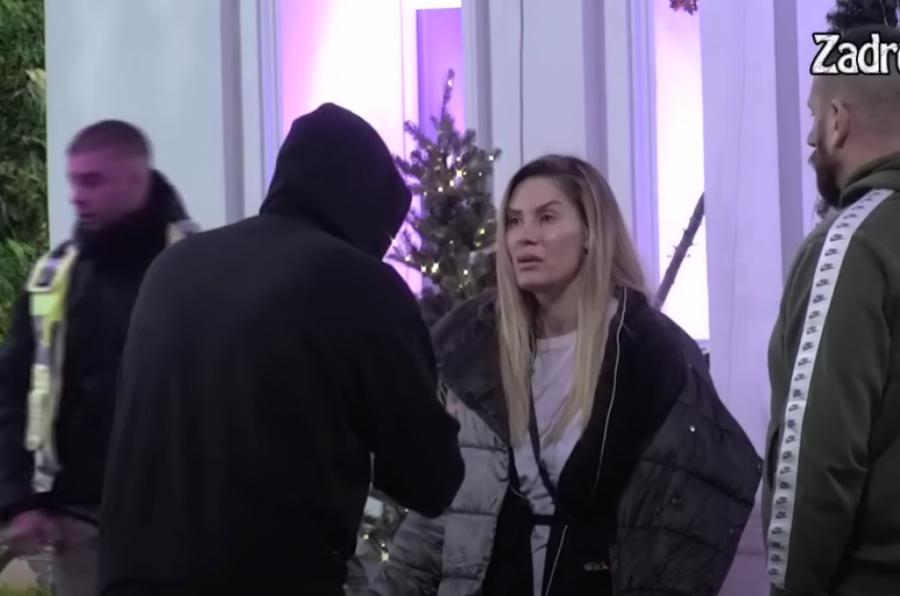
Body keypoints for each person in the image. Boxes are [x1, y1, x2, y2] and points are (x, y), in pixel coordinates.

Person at [96, 103, 465, 596]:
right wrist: (443, 419)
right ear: (369, 209)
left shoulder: (172, 267)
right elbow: (429, 480)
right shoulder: (359, 283)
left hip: (128, 577)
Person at [358, 154, 762, 596]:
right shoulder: (471, 349)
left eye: (546, 218)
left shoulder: (652, 355)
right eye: (514, 221)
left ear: (590, 233)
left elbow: (686, 519)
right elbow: (439, 517)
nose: (524, 236)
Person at [0, 120, 196, 596]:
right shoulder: (55, 276)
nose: (76, 196)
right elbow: (12, 393)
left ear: (136, 179)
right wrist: (20, 500)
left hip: (182, 523)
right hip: (81, 523)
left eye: (92, 181)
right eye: (73, 180)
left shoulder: (199, 266)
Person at [764, 24, 900, 596]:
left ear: (838, 121)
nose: (810, 135)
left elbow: (817, 457)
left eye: (814, 115)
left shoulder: (853, 246)